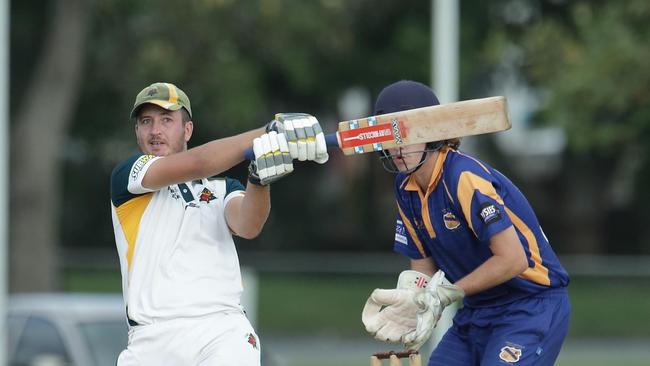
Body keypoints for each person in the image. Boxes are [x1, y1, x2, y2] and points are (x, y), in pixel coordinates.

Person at [110, 82, 328, 365]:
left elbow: (248, 225)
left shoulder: (224, 188)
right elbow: (201, 162)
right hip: (151, 337)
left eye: (166, 120)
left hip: (221, 328)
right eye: (146, 122)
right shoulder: (129, 175)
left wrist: (259, 180)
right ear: (137, 131)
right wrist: (268, 134)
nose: (155, 131)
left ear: (187, 130)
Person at [361, 80, 570, 366]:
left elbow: (512, 260)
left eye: (406, 135)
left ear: (432, 133)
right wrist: (417, 301)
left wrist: (445, 294)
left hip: (529, 305)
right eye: (389, 138)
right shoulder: (404, 187)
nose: (397, 148)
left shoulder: (462, 177)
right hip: (476, 311)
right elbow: (422, 266)